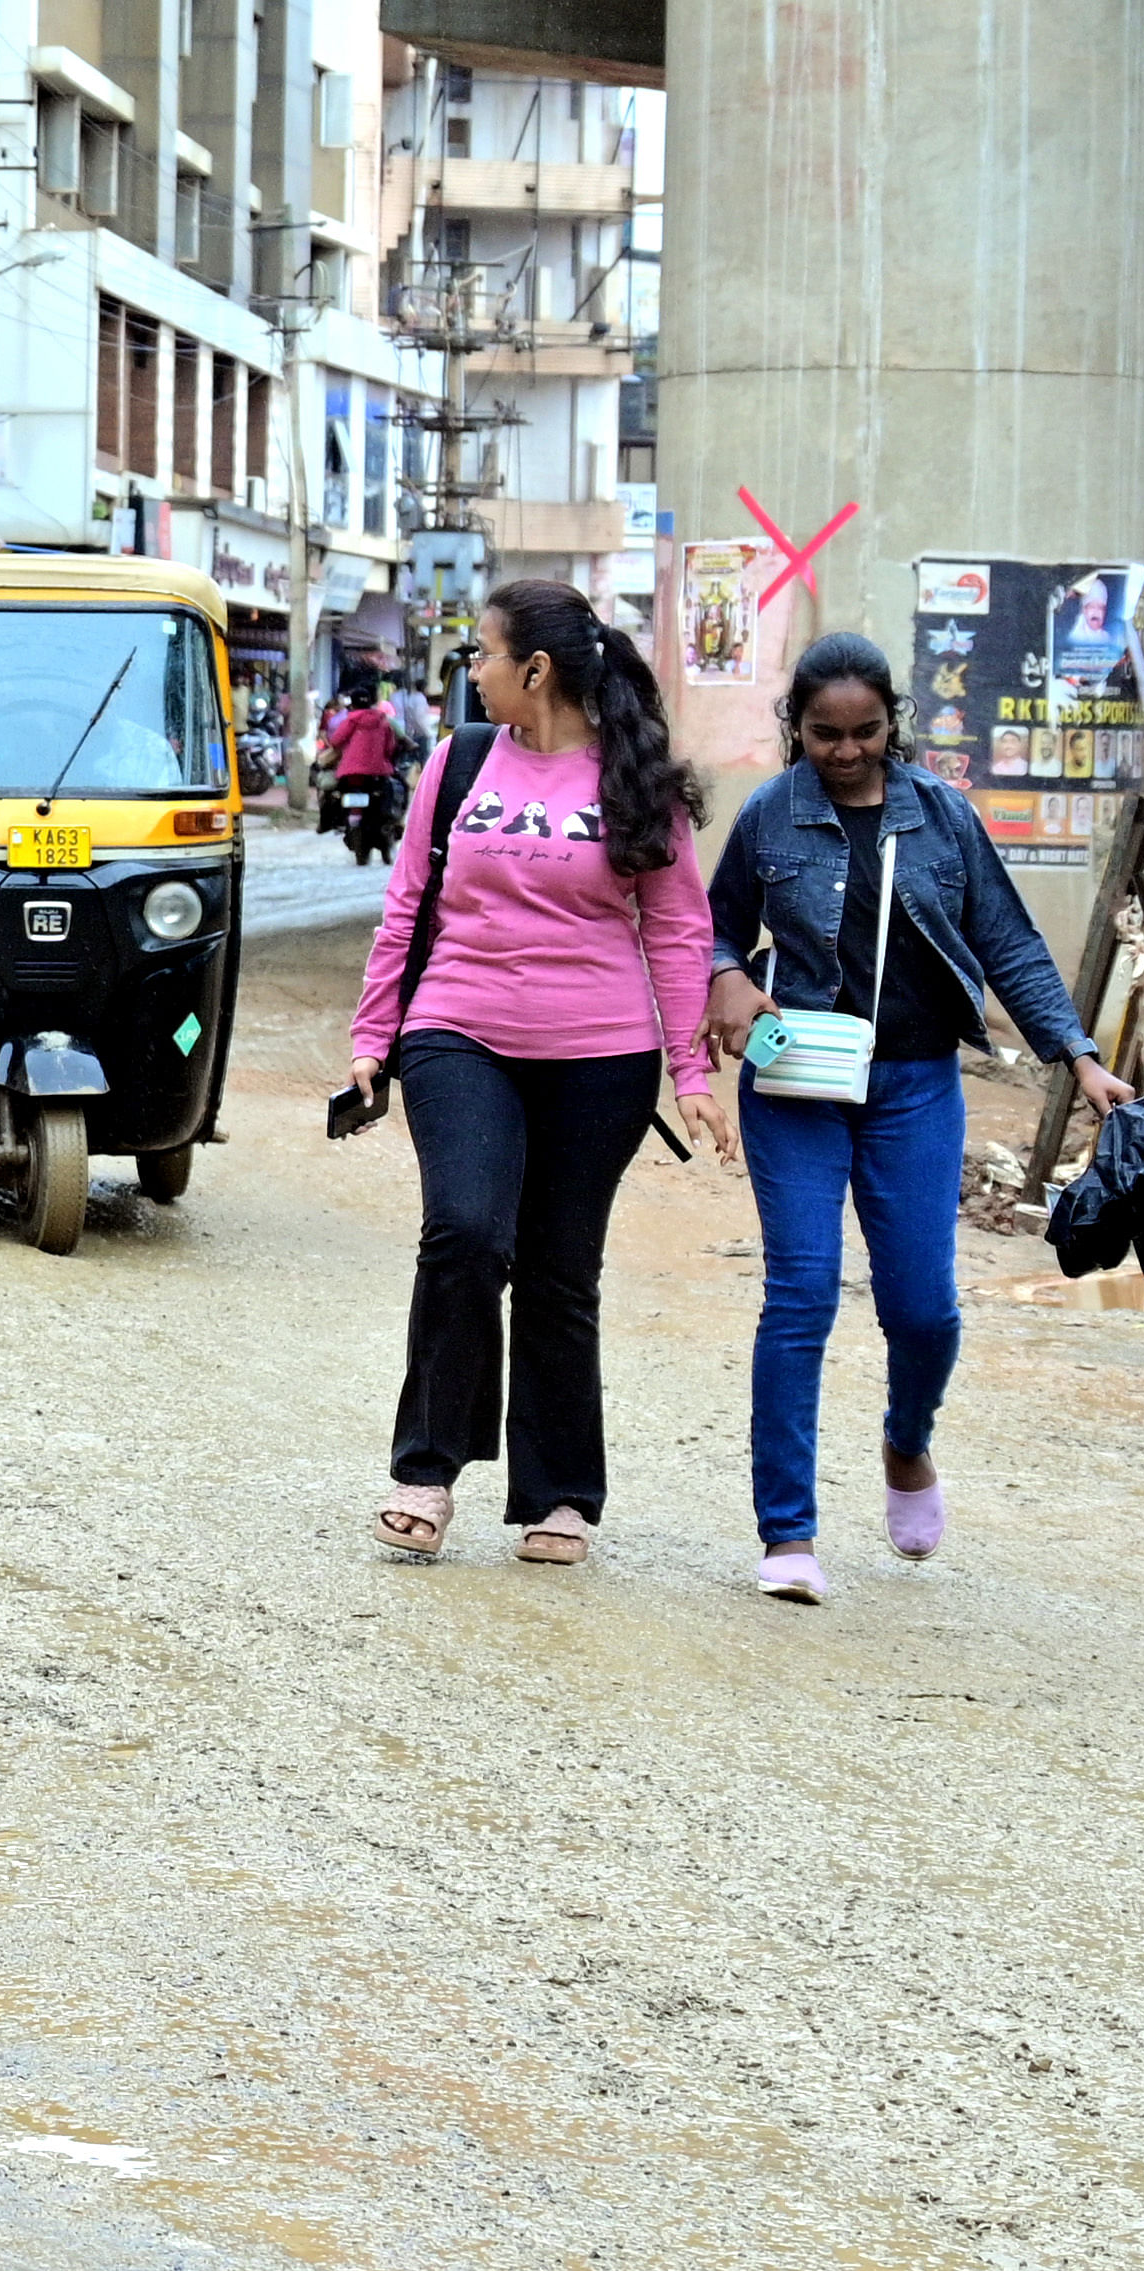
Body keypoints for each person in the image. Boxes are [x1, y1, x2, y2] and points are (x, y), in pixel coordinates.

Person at [705, 631, 1137, 1603]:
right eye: (825, 735)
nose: (847, 750)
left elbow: (1011, 944)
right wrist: (727, 977)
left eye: (865, 732)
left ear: (893, 723)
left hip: (913, 1088)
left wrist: (1081, 1057)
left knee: (923, 1309)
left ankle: (908, 1445)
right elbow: (715, 926)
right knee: (802, 1294)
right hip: (798, 1084)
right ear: (797, 730)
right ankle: (787, 1534)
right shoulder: (772, 818)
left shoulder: (942, 818)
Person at [342, 576, 729, 1567]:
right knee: (466, 1232)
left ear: (537, 668)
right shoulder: (463, 760)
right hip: (458, 1030)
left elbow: (681, 929)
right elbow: (407, 906)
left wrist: (688, 1069)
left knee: (560, 1274)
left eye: (484, 653)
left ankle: (559, 1495)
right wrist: (373, 1037)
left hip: (600, 1056)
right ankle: (428, 1468)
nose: (473, 671)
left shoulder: (633, 777)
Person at [319, 683, 402, 863]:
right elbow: (390, 747)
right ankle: (390, 828)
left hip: (351, 774)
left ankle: (326, 823)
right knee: (394, 794)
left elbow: (335, 741)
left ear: (352, 704)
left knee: (331, 794)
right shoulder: (383, 720)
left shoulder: (351, 719)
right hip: (379, 772)